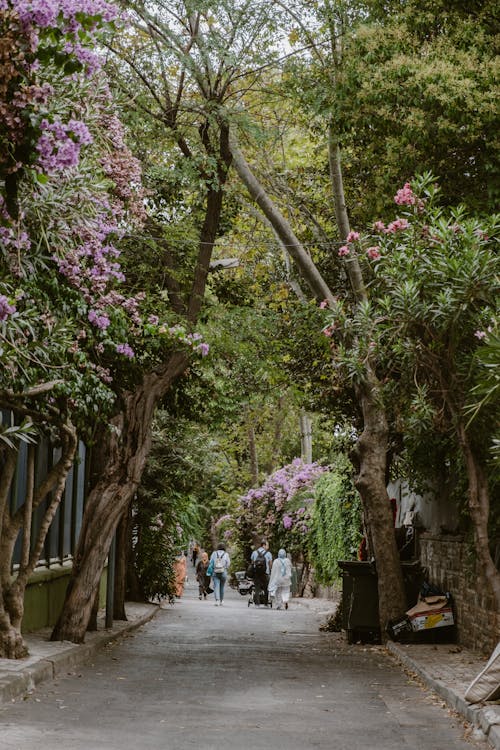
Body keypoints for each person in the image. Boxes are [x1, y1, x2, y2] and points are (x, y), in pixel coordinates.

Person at [250, 539, 272, 606]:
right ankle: (265, 603)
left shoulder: (254, 552)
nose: (268, 547)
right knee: (266, 587)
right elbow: (270, 564)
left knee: (257, 587)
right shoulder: (268, 553)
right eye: (267, 545)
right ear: (264, 545)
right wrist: (270, 570)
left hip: (256, 573)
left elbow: (252, 562)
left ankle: (257, 603)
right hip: (265, 573)